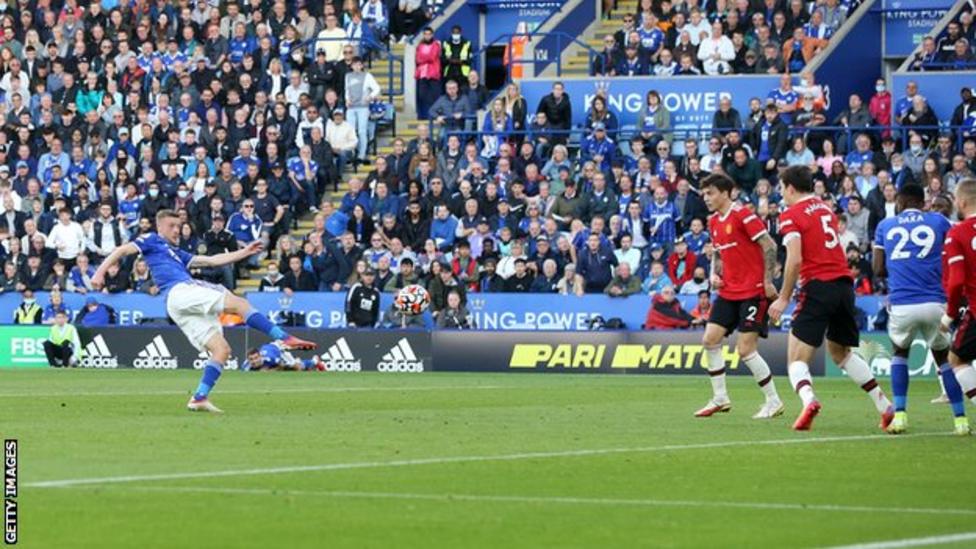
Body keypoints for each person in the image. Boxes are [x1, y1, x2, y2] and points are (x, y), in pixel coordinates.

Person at [92, 210, 316, 413]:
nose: (177, 230)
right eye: (172, 226)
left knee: (221, 350)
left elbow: (211, 260)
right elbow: (122, 249)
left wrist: (244, 252)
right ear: (159, 227)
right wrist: (99, 273)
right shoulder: (152, 239)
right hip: (179, 291)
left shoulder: (177, 253)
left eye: (179, 227)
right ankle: (284, 338)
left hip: (178, 305)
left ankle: (199, 397)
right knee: (240, 304)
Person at [769, 166, 893, 431]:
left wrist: (783, 297)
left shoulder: (790, 215)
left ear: (790, 188)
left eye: (781, 188)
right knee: (842, 354)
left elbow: (794, 259)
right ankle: (884, 405)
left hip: (818, 286)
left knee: (796, 360)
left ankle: (809, 400)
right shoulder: (825, 208)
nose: (781, 193)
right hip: (845, 287)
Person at [871, 184, 967, 435]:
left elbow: (878, 269)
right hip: (936, 301)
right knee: (944, 359)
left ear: (899, 203)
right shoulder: (939, 221)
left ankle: (900, 416)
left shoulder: (885, 225)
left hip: (903, 302)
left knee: (900, 353)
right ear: (922, 202)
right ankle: (960, 421)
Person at [695, 174, 783, 419]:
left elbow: (770, 245)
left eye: (710, 193)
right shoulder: (713, 222)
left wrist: (767, 281)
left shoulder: (743, 214)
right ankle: (720, 398)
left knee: (745, 350)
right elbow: (720, 253)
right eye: (704, 194)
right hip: (729, 290)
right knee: (710, 339)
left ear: (726, 193)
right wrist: (717, 274)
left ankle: (773, 400)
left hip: (753, 291)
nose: (706, 198)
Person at [941, 178, 976, 431]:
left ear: (962, 202)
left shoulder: (958, 233)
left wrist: (950, 314)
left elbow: (955, 282)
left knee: (957, 358)